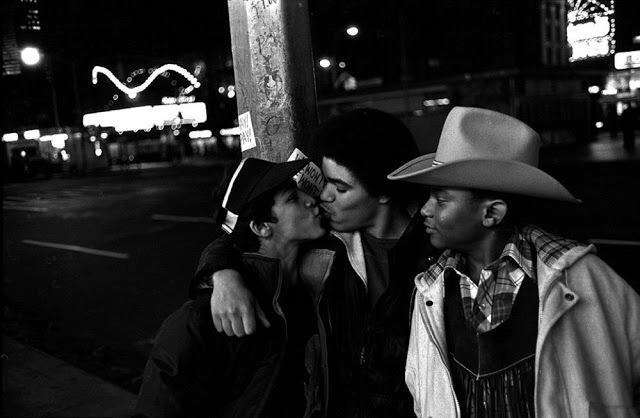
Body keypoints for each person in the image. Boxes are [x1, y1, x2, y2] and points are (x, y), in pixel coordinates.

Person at [387, 106, 640, 417]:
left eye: (441, 199)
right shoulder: (430, 290)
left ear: (492, 213)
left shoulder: (583, 279)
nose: (425, 210)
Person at [190, 108, 434, 417]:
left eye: (341, 188)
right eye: (325, 183)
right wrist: (222, 273)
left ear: (384, 191)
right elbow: (241, 237)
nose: (324, 197)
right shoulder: (324, 244)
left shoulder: (435, 246)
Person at [135, 158, 329, 417]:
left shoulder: (313, 287)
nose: (311, 199)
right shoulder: (201, 320)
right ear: (261, 227)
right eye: (292, 198)